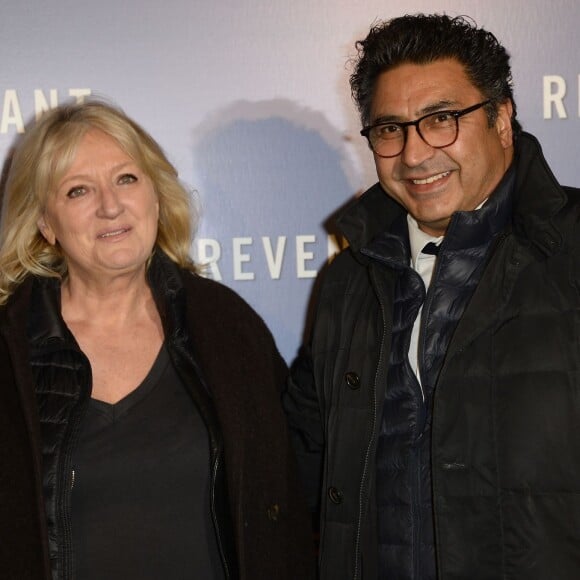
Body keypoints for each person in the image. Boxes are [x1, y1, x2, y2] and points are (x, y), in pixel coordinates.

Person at [284, 13, 580, 580]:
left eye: (441, 119)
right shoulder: (349, 281)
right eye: (391, 129)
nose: (415, 155)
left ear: (502, 119)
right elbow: (304, 459)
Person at [0, 100, 314, 580]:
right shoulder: (10, 352)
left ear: (155, 195)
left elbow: (284, 506)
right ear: (46, 223)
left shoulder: (225, 326)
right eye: (78, 190)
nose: (111, 205)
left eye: (126, 179)